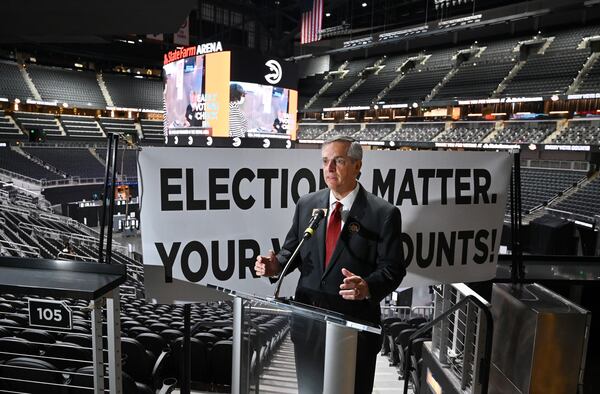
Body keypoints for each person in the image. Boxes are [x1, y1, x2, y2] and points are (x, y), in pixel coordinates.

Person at [254, 136, 405, 393]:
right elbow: (293, 250)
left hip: (354, 328)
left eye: (339, 161)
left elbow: (393, 269)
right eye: (325, 161)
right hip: (308, 324)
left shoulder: (384, 213)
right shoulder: (308, 204)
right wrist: (275, 266)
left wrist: (367, 286)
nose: (329, 168)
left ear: (357, 165)